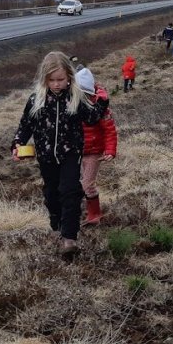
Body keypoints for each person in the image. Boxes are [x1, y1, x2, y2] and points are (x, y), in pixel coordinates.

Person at [12, 51, 108, 253]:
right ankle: (56, 223)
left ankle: (69, 239)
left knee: (70, 192)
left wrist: (102, 102)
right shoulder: (35, 100)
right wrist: (17, 143)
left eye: (60, 80)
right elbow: (25, 126)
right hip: (46, 157)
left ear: (69, 78)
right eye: (51, 80)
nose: (56, 84)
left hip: (70, 154)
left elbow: (92, 117)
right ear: (44, 79)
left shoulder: (76, 98)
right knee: (52, 194)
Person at [75, 68, 117, 226]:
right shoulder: (73, 105)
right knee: (79, 183)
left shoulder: (101, 109)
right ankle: (90, 212)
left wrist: (110, 151)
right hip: (77, 151)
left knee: (86, 184)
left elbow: (110, 131)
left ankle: (94, 213)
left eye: (84, 94)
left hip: (94, 152)